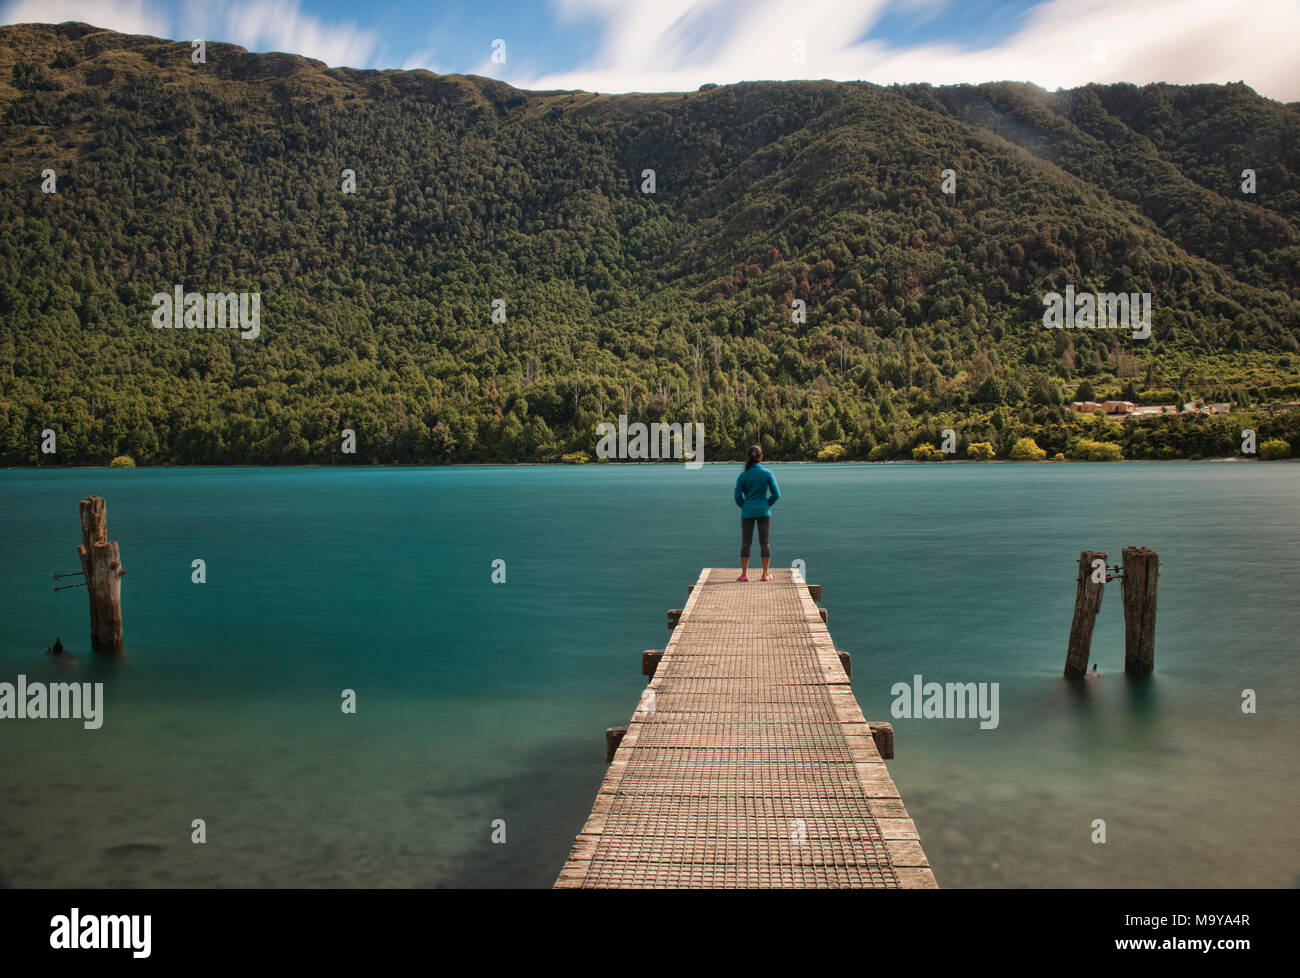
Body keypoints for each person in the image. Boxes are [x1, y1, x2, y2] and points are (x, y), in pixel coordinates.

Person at [734, 444, 780, 581]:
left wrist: (745, 506)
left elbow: (737, 496)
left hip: (747, 511)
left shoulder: (743, 476)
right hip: (764, 511)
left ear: (748, 457)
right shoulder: (767, 473)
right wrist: (766, 504)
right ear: (761, 457)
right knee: (764, 542)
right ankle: (765, 574)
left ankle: (744, 574)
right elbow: (776, 494)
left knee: (746, 542)